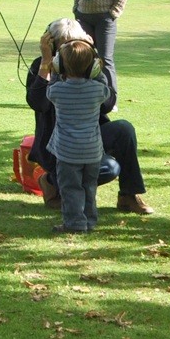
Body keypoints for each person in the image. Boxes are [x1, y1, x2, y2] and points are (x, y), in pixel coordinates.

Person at [25, 18, 152, 214]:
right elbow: (38, 103)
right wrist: (46, 64)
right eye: (64, 46)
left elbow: (107, 105)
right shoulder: (41, 66)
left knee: (124, 130)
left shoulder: (91, 66)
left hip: (88, 137)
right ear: (50, 46)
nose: (71, 51)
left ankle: (129, 195)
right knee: (107, 168)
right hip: (56, 144)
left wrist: (94, 62)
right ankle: (51, 182)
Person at [43, 37, 106, 233]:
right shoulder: (98, 90)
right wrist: (97, 71)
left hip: (67, 152)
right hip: (93, 152)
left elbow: (49, 89)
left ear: (59, 65)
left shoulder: (58, 90)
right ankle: (90, 221)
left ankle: (74, 224)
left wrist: (53, 71)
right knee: (89, 187)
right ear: (93, 66)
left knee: (70, 189)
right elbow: (106, 88)